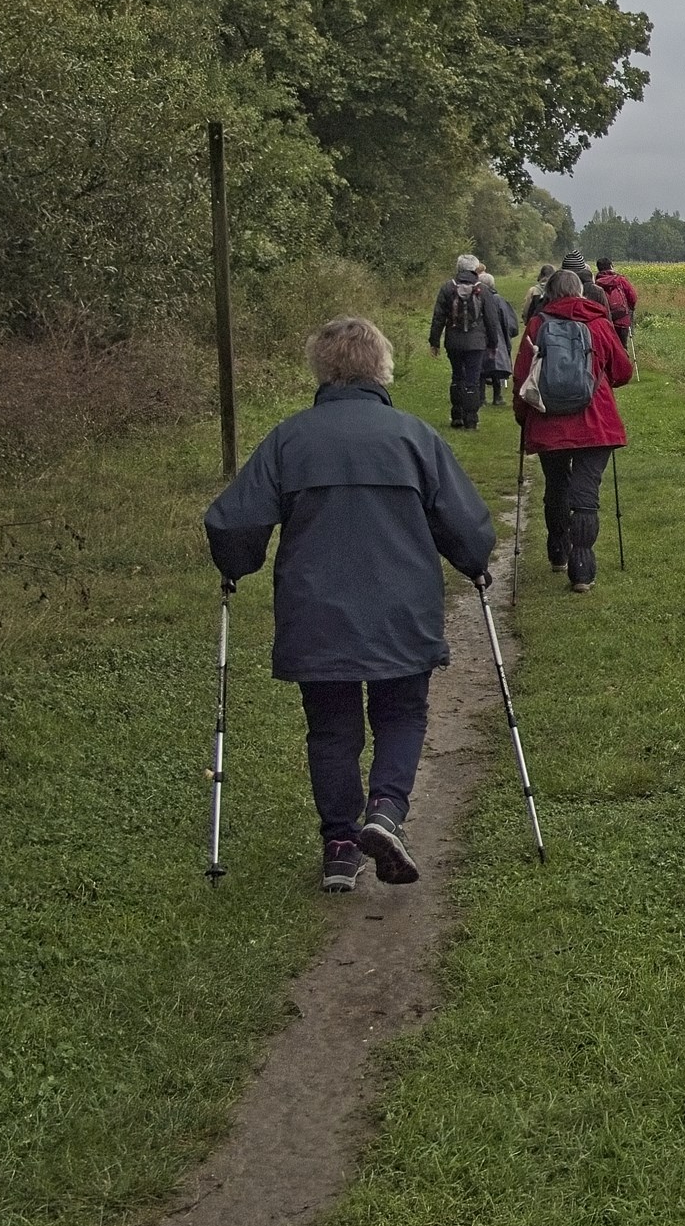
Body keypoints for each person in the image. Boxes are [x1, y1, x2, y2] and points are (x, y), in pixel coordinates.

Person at [205, 315, 497, 893]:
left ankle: (340, 845)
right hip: (403, 610)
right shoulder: (414, 437)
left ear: (322, 370)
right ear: (381, 368)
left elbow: (234, 521)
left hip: (318, 612)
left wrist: (236, 565)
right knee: (402, 713)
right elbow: (465, 526)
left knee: (331, 727)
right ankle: (385, 812)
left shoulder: (291, 438)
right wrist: (474, 561)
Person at [513, 268, 633, 594]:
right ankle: (583, 571)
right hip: (596, 423)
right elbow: (622, 371)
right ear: (580, 291)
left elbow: (523, 377)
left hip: (549, 422)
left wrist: (523, 418)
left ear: (549, 294)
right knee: (585, 495)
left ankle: (557, 553)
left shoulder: (537, 325)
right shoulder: (598, 324)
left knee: (556, 486)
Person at [427, 254, 495, 429]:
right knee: (472, 379)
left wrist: (434, 342)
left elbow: (438, 317)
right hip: (476, 343)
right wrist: (493, 344)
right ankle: (471, 419)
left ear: (459, 268)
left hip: (454, 341)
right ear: (475, 269)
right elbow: (490, 319)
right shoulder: (483, 290)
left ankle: (456, 415)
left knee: (457, 376)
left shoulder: (447, 288)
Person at [478, 267, 519, 406]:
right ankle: (497, 396)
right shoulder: (498, 300)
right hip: (498, 335)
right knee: (495, 366)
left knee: (481, 367)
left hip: (480, 336)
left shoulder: (477, 298)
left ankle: (481, 397)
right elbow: (506, 320)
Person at [594, 257, 639, 353]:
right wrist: (630, 310)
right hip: (622, 319)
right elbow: (632, 297)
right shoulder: (620, 280)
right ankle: (624, 364)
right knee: (622, 347)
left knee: (607, 348)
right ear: (611, 266)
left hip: (605, 321)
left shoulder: (597, 283)